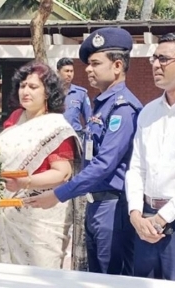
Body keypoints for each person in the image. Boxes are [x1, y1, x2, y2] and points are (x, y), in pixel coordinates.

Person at [24, 27, 143, 275]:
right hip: (95, 205)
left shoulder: (123, 108)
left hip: (113, 208)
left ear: (118, 66)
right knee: (96, 275)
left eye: (95, 63)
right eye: (88, 64)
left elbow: (104, 164)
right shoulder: (101, 105)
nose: (88, 69)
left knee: (112, 278)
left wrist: (59, 194)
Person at [0, 61, 80, 269]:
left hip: (39, 217)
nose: (25, 91)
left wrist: (26, 182)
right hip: (6, 213)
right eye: (22, 86)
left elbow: (62, 173)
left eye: (33, 87)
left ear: (47, 92)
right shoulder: (14, 119)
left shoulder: (55, 127)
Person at [125, 32, 175, 280]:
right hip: (146, 222)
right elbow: (136, 168)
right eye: (154, 58)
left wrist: (162, 218)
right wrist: (135, 213)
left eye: (163, 59)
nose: (156, 64)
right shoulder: (147, 112)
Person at [57, 57, 91, 138]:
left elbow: (89, 118)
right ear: (58, 72)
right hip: (57, 136)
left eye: (71, 71)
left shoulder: (80, 93)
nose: (69, 74)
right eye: (66, 71)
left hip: (75, 135)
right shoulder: (50, 92)